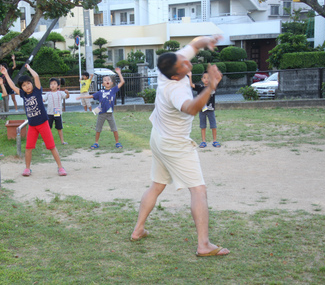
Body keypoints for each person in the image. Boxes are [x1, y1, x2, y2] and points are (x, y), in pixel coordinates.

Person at [130, 35, 230, 257]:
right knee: (198, 189)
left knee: (157, 185)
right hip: (174, 144)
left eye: (184, 60)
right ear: (175, 75)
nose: (188, 63)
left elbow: (194, 44)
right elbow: (192, 108)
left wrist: (208, 41)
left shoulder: (171, 64)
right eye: (183, 64)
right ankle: (203, 245)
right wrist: (210, 87)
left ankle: (138, 230)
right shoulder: (174, 90)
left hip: (158, 137)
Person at [0, 64, 67, 177]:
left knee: (51, 146)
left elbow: (36, 77)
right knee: (28, 148)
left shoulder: (37, 91)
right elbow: (12, 86)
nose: (27, 86)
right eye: (24, 85)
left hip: (43, 123)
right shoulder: (23, 95)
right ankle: (27, 168)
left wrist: (29, 68)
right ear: (22, 88)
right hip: (32, 126)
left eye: (28, 83)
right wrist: (6, 74)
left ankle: (60, 167)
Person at [76, 68, 125, 149]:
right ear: (102, 84)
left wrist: (119, 73)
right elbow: (92, 96)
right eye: (105, 80)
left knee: (114, 129)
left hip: (110, 114)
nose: (107, 81)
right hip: (101, 113)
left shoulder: (113, 90)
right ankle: (96, 143)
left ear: (112, 83)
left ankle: (117, 142)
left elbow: (122, 82)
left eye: (108, 79)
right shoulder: (100, 92)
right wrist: (82, 96)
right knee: (98, 129)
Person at [189, 72, 221, 148]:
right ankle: (203, 141)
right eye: (204, 78)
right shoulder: (199, 87)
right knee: (203, 126)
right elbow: (191, 85)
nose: (206, 79)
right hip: (202, 110)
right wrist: (190, 76)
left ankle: (215, 141)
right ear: (202, 79)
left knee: (213, 126)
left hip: (211, 110)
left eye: (208, 78)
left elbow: (219, 79)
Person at [44, 78, 70, 145]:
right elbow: (43, 100)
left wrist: (67, 93)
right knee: (48, 128)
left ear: (58, 86)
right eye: (51, 84)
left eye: (54, 84)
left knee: (59, 127)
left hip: (57, 111)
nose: (52, 85)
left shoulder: (60, 93)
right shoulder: (48, 94)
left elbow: (66, 97)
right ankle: (46, 141)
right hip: (49, 112)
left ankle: (62, 141)